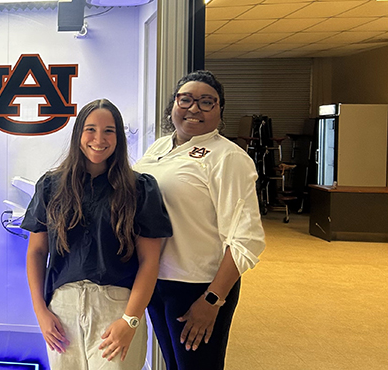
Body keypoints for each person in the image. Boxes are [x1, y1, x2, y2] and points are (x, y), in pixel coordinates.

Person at [22, 98, 172, 370]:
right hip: (62, 310)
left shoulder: (139, 188)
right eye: (90, 129)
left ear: (119, 138)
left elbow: (150, 261)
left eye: (109, 131)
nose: (98, 139)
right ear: (79, 133)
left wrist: (131, 320)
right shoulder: (51, 186)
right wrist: (41, 311)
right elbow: (36, 252)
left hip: (116, 308)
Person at [133, 70, 266, 370]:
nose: (194, 108)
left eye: (207, 102)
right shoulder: (159, 148)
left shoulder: (227, 158)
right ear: (172, 106)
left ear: (220, 111)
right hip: (157, 281)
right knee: (173, 365)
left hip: (198, 287)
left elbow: (246, 240)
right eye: (186, 100)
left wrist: (212, 300)